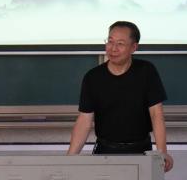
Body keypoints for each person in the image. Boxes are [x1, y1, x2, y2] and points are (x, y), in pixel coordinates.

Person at [67, 20, 174, 172]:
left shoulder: (146, 71)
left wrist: (162, 152)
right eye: (110, 42)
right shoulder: (93, 77)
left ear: (134, 47)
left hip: (141, 150)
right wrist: (69, 159)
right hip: (105, 151)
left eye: (120, 44)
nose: (113, 48)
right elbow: (84, 120)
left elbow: (156, 114)